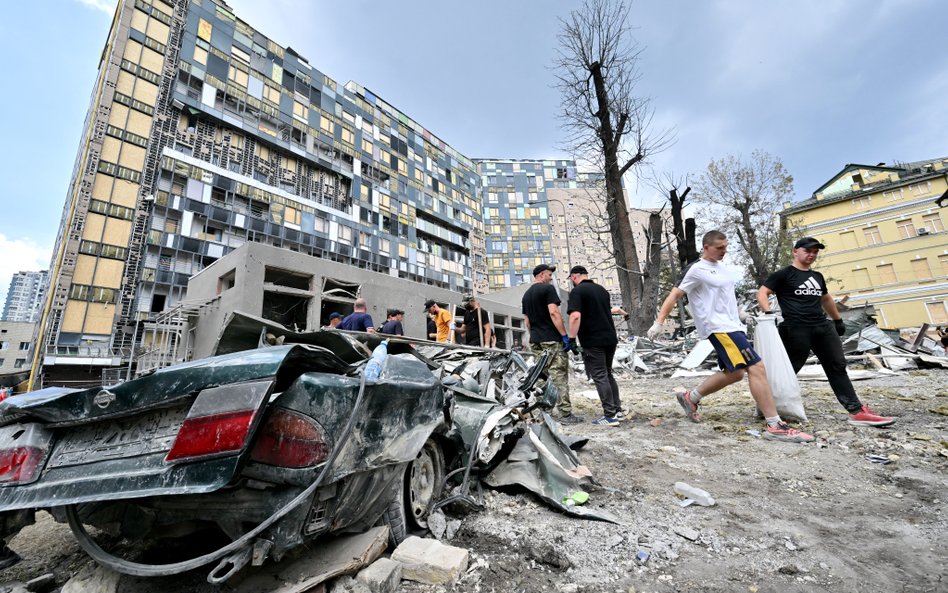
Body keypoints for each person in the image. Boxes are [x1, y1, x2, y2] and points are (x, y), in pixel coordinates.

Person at [648, 230, 814, 443]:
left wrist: (741, 315)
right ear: (706, 247)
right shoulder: (696, 270)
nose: (724, 252)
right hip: (718, 328)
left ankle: (691, 397)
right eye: (719, 248)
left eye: (726, 247)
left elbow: (724, 297)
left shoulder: (722, 269)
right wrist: (659, 322)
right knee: (756, 367)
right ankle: (775, 425)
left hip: (733, 325)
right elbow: (675, 295)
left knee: (735, 373)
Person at [757, 237, 896, 427]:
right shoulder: (784, 274)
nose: (811, 254)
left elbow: (826, 299)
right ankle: (766, 407)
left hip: (822, 327)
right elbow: (762, 292)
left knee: (837, 366)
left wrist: (838, 320)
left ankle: (856, 411)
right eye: (808, 250)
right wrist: (768, 313)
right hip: (795, 329)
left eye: (815, 252)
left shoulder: (817, 277)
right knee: (788, 370)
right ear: (795, 251)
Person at [522, 264, 583, 424]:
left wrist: (535, 335)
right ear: (541, 275)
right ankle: (565, 414)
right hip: (552, 339)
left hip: (535, 340)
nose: (551, 278)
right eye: (549, 275)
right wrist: (564, 336)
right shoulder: (547, 290)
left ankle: (544, 412)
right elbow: (554, 312)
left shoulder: (526, 295)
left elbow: (527, 322)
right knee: (559, 375)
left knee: (541, 376)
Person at [567, 265, 623, 426]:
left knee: (599, 375)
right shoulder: (602, 290)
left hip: (593, 340)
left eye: (571, 278)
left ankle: (610, 416)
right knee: (607, 373)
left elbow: (575, 316)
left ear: (574, 276)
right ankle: (617, 410)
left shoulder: (577, 292)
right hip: (610, 338)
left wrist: (571, 339)